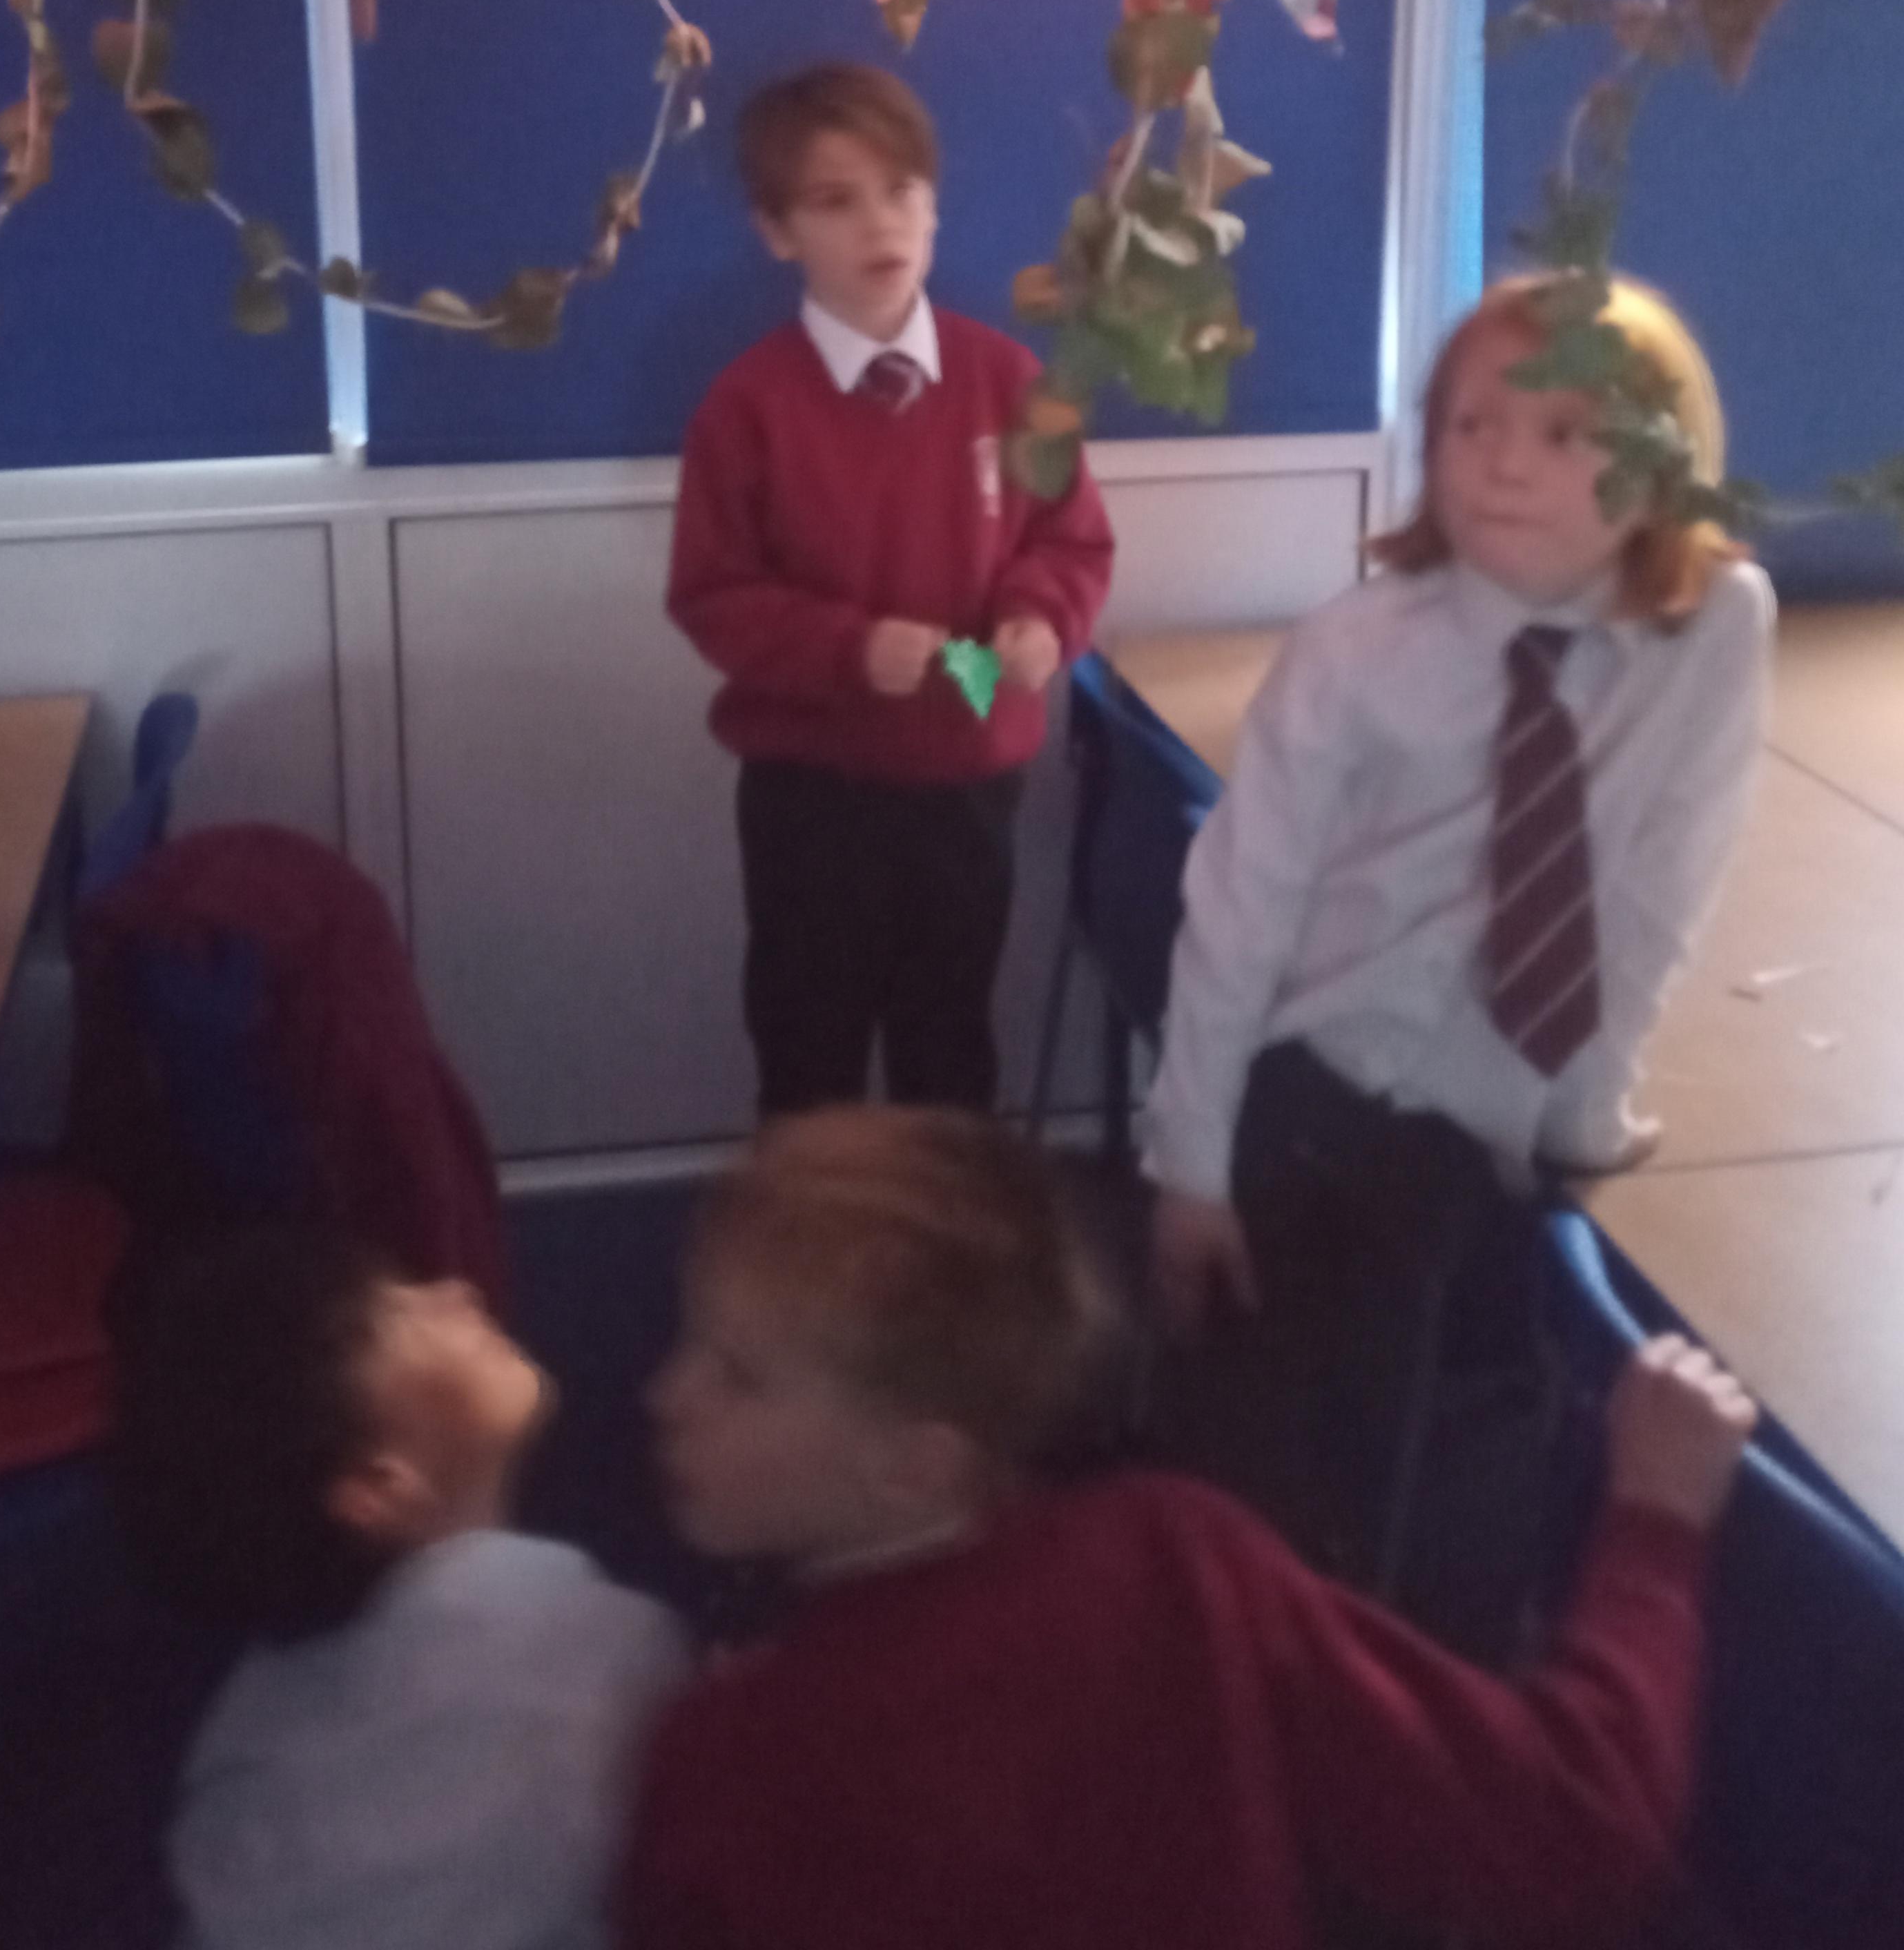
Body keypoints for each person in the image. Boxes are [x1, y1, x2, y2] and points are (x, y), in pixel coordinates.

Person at [621, 1106, 1755, 1950]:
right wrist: (1655, 1521)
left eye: (736, 1373)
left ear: (916, 1465)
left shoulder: (725, 1758)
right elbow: (1571, 1824)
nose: (667, 1394)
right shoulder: (1178, 1558)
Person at [1143, 273, 1774, 1634]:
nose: (1502, 461)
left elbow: (1662, 881)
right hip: (1315, 1100)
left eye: (1561, 431)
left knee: (1468, 1489)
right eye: (1470, 423)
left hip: (1497, 1119)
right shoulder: (1356, 648)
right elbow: (1240, 913)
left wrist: (1590, 1105)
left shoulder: (1713, 624)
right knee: (1291, 1507)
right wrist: (1187, 1164)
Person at [667, 64, 1114, 1116]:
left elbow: (1072, 543)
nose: (880, 222)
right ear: (778, 231)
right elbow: (715, 594)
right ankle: (809, 1224)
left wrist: (1041, 619)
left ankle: (944, 1225)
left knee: (948, 1048)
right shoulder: (748, 406)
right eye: (836, 200)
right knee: (808, 1048)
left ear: (936, 206)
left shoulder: (1009, 381)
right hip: (812, 794)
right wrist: (848, 650)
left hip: (966, 783)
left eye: (902, 189)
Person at [110, 1225, 687, 1950]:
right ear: (378, 1488)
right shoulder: (605, 1659)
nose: (456, 1292)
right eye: (402, 1318)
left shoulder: (249, 1723)